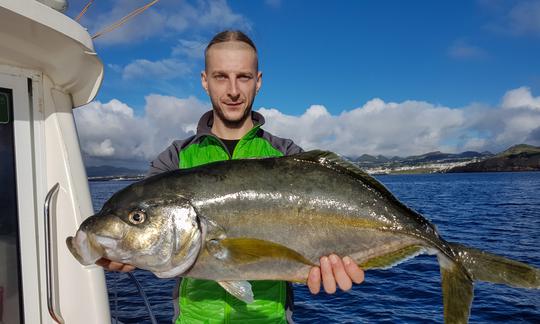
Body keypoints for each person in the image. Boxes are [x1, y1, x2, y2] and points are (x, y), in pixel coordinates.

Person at [97, 30, 364, 323]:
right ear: (205, 80)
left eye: (244, 77)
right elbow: (151, 227)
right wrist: (121, 250)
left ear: (258, 81)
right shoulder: (174, 160)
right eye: (221, 76)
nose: (233, 90)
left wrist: (333, 259)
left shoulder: (286, 155)